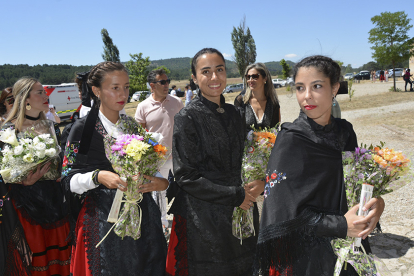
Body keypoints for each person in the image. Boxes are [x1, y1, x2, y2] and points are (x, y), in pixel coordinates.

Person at [253, 56, 385, 276]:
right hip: (309, 256)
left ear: (334, 87)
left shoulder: (345, 133)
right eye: (299, 88)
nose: (306, 96)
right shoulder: (290, 140)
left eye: (316, 86)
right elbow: (281, 213)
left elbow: (355, 186)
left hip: (350, 249)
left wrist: (375, 203)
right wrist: (341, 226)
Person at [61, 61, 167, 275]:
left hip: (143, 217)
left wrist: (160, 181)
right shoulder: (81, 130)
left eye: (126, 87)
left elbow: (146, 164)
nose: (123, 94)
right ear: (96, 91)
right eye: (115, 87)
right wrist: (98, 176)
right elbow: (66, 179)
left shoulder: (131, 126)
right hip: (102, 222)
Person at [166, 48, 260, 276]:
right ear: (195, 78)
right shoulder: (186, 118)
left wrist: (259, 179)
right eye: (206, 72)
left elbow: (248, 158)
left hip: (243, 208)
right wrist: (236, 195)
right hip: (205, 216)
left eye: (219, 70)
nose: (215, 78)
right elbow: (186, 176)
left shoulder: (237, 113)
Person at [1, 77, 71, 275]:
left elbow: (64, 158)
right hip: (27, 204)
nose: (45, 95)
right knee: (36, 259)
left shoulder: (51, 126)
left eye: (44, 91)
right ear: (26, 99)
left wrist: (63, 172)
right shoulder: (9, 131)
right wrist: (23, 180)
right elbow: (4, 171)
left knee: (61, 257)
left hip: (56, 200)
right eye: (39, 92)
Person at [134, 68, 184, 233]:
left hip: (179, 156)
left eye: (167, 81)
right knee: (160, 193)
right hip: (156, 160)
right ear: (152, 86)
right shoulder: (143, 107)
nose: (166, 85)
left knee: (183, 188)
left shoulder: (177, 102)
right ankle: (162, 225)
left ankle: (183, 222)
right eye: (162, 82)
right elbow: (139, 137)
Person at [234, 62, 281, 131]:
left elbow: (275, 129)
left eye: (254, 76)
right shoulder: (241, 101)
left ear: (265, 78)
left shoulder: (273, 103)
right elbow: (235, 129)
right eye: (248, 77)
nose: (250, 80)